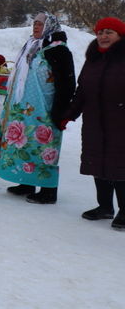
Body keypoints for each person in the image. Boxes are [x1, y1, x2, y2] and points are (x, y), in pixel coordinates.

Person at [0, 13, 75, 204]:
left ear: (50, 26)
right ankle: (26, 182)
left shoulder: (59, 50)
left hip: (45, 110)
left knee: (44, 148)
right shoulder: (32, 46)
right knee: (23, 144)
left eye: (40, 24)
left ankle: (48, 190)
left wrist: (61, 111)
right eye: (34, 23)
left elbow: (67, 84)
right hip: (23, 110)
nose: (35, 27)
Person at [64, 17, 125, 230]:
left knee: (120, 167)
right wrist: (68, 114)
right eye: (100, 32)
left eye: (109, 32)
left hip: (120, 123)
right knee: (98, 163)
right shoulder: (93, 59)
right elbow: (82, 91)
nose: (103, 36)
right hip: (95, 122)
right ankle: (105, 207)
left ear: (120, 36)